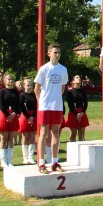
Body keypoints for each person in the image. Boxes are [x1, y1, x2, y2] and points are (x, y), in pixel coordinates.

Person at [35, 44, 68, 174]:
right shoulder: (44, 69)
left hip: (57, 106)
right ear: (49, 54)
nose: (57, 54)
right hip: (45, 106)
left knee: (56, 132)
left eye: (59, 52)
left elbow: (62, 88)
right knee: (43, 133)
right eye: (55, 52)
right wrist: (41, 102)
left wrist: (55, 99)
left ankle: (55, 161)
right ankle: (41, 162)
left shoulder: (63, 69)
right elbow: (37, 88)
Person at [0, 73, 21, 168]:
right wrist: (8, 115)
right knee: (3, 138)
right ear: (4, 81)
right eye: (8, 79)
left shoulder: (15, 91)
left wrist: (14, 114)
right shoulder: (2, 91)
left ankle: (10, 161)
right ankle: (3, 161)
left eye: (12, 79)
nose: (10, 81)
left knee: (11, 139)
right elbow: (0, 105)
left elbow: (18, 105)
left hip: (13, 115)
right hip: (4, 115)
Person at [63, 75, 89, 142]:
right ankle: (72, 146)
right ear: (73, 81)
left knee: (81, 133)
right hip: (73, 112)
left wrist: (82, 113)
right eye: (77, 77)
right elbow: (70, 104)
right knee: (73, 133)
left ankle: (82, 146)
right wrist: (76, 113)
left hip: (82, 112)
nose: (79, 78)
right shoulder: (70, 92)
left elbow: (85, 103)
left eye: (79, 77)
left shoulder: (83, 91)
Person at [18, 78, 38, 164]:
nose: (29, 87)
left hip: (33, 116)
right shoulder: (22, 96)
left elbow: (36, 107)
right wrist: (28, 117)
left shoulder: (34, 95)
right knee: (25, 137)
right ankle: (25, 157)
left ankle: (31, 157)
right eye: (28, 85)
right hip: (25, 116)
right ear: (24, 86)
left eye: (31, 85)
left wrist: (32, 117)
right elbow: (21, 107)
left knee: (32, 137)